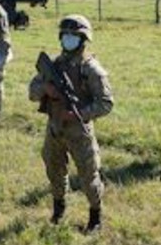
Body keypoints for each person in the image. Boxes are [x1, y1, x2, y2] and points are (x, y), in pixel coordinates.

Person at [29, 15, 113, 233]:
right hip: (55, 129)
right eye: (65, 35)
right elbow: (32, 92)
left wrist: (78, 115)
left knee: (88, 175)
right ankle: (59, 210)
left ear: (84, 39)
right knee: (54, 170)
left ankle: (95, 217)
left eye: (73, 36)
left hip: (79, 132)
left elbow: (106, 104)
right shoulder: (54, 66)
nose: (68, 40)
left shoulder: (91, 69)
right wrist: (46, 90)